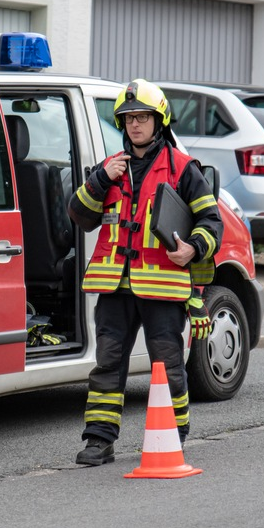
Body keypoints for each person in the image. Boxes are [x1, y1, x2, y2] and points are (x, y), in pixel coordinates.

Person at [68, 78, 222, 466]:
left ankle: (173, 435)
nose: (134, 125)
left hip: (163, 287)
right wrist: (102, 179)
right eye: (128, 118)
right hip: (114, 285)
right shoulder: (109, 169)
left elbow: (211, 221)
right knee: (107, 363)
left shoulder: (184, 170)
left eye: (142, 117)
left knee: (167, 364)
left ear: (159, 120)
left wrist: (194, 247)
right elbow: (79, 215)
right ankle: (99, 440)